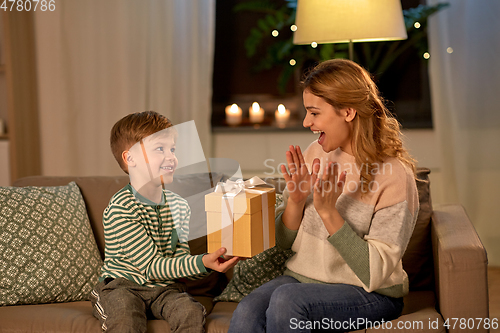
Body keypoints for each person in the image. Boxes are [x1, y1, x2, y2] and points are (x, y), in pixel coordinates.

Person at [228, 59, 419, 333]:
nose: (307, 122)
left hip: (369, 293)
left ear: (348, 112)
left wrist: (329, 213)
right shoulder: (315, 153)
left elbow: (374, 272)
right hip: (303, 279)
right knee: (247, 311)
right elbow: (284, 242)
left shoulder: (393, 175)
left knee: (287, 302)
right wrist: (295, 201)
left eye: (314, 113)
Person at [89, 111, 238, 333]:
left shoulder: (179, 205)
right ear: (130, 159)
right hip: (123, 286)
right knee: (125, 319)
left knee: (191, 311)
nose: (171, 157)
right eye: (160, 149)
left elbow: (180, 262)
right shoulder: (121, 208)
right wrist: (203, 261)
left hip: (165, 288)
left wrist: (212, 262)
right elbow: (151, 267)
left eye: (172, 149)